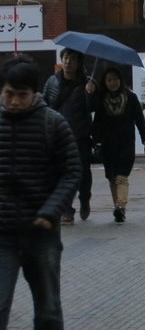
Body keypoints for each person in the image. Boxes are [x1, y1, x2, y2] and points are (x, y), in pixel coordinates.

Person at [0, 54, 82, 329]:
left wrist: (50, 210)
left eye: (21, 95)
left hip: (41, 234)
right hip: (3, 236)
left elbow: (72, 172)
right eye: (8, 94)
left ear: (35, 93)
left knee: (48, 310)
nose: (13, 101)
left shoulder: (53, 123)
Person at [89, 68, 145, 223]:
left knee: (121, 176)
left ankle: (120, 207)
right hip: (107, 144)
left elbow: (139, 120)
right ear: (105, 82)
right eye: (109, 80)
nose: (112, 83)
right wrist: (90, 93)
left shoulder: (131, 97)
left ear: (120, 79)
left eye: (115, 79)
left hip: (126, 143)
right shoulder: (101, 98)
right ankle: (118, 206)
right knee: (111, 177)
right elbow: (94, 117)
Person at [41, 49, 92, 224]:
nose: (68, 62)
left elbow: (94, 108)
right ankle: (67, 210)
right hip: (58, 136)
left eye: (72, 59)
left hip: (80, 136)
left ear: (79, 63)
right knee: (62, 174)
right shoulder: (52, 81)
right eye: (65, 58)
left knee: (83, 173)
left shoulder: (87, 83)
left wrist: (91, 94)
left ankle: (85, 199)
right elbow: (44, 105)